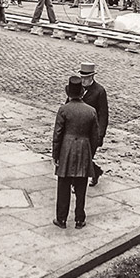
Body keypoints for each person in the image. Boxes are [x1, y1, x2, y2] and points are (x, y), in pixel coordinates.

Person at [52, 76, 100, 230]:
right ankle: (79, 219)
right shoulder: (91, 111)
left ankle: (61, 219)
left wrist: (55, 155)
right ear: (81, 93)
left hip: (66, 149)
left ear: (69, 94)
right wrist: (90, 153)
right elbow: (95, 136)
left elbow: (57, 135)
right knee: (81, 186)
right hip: (84, 149)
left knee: (63, 185)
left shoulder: (64, 110)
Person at [79, 62, 109, 186]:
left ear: (92, 77)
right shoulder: (77, 87)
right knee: (79, 157)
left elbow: (103, 114)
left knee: (85, 157)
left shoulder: (99, 91)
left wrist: (100, 134)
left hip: (91, 131)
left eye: (86, 78)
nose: (83, 80)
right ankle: (96, 171)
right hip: (77, 129)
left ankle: (78, 184)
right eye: (82, 77)